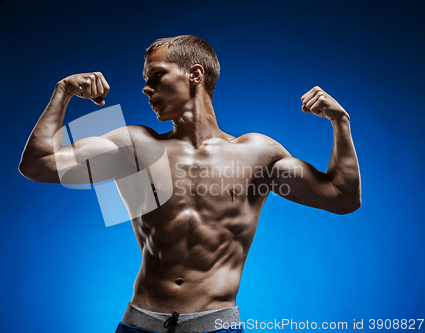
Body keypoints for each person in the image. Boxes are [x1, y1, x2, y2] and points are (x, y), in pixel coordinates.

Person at [19, 35, 361, 333]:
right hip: (141, 324)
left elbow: (342, 198)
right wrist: (62, 93)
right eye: (145, 79)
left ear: (194, 74)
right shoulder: (135, 146)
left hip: (215, 327)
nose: (146, 88)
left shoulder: (257, 153)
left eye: (157, 75)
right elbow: (38, 165)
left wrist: (340, 124)